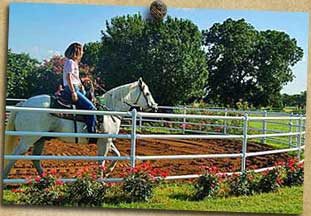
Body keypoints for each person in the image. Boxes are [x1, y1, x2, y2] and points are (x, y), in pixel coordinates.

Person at [62, 42, 97, 134]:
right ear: (77, 51)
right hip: (72, 88)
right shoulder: (70, 62)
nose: (82, 53)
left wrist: (82, 81)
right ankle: (92, 132)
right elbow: (68, 77)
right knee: (91, 108)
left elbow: (73, 78)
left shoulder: (73, 63)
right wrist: (73, 92)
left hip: (76, 87)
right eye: (81, 51)